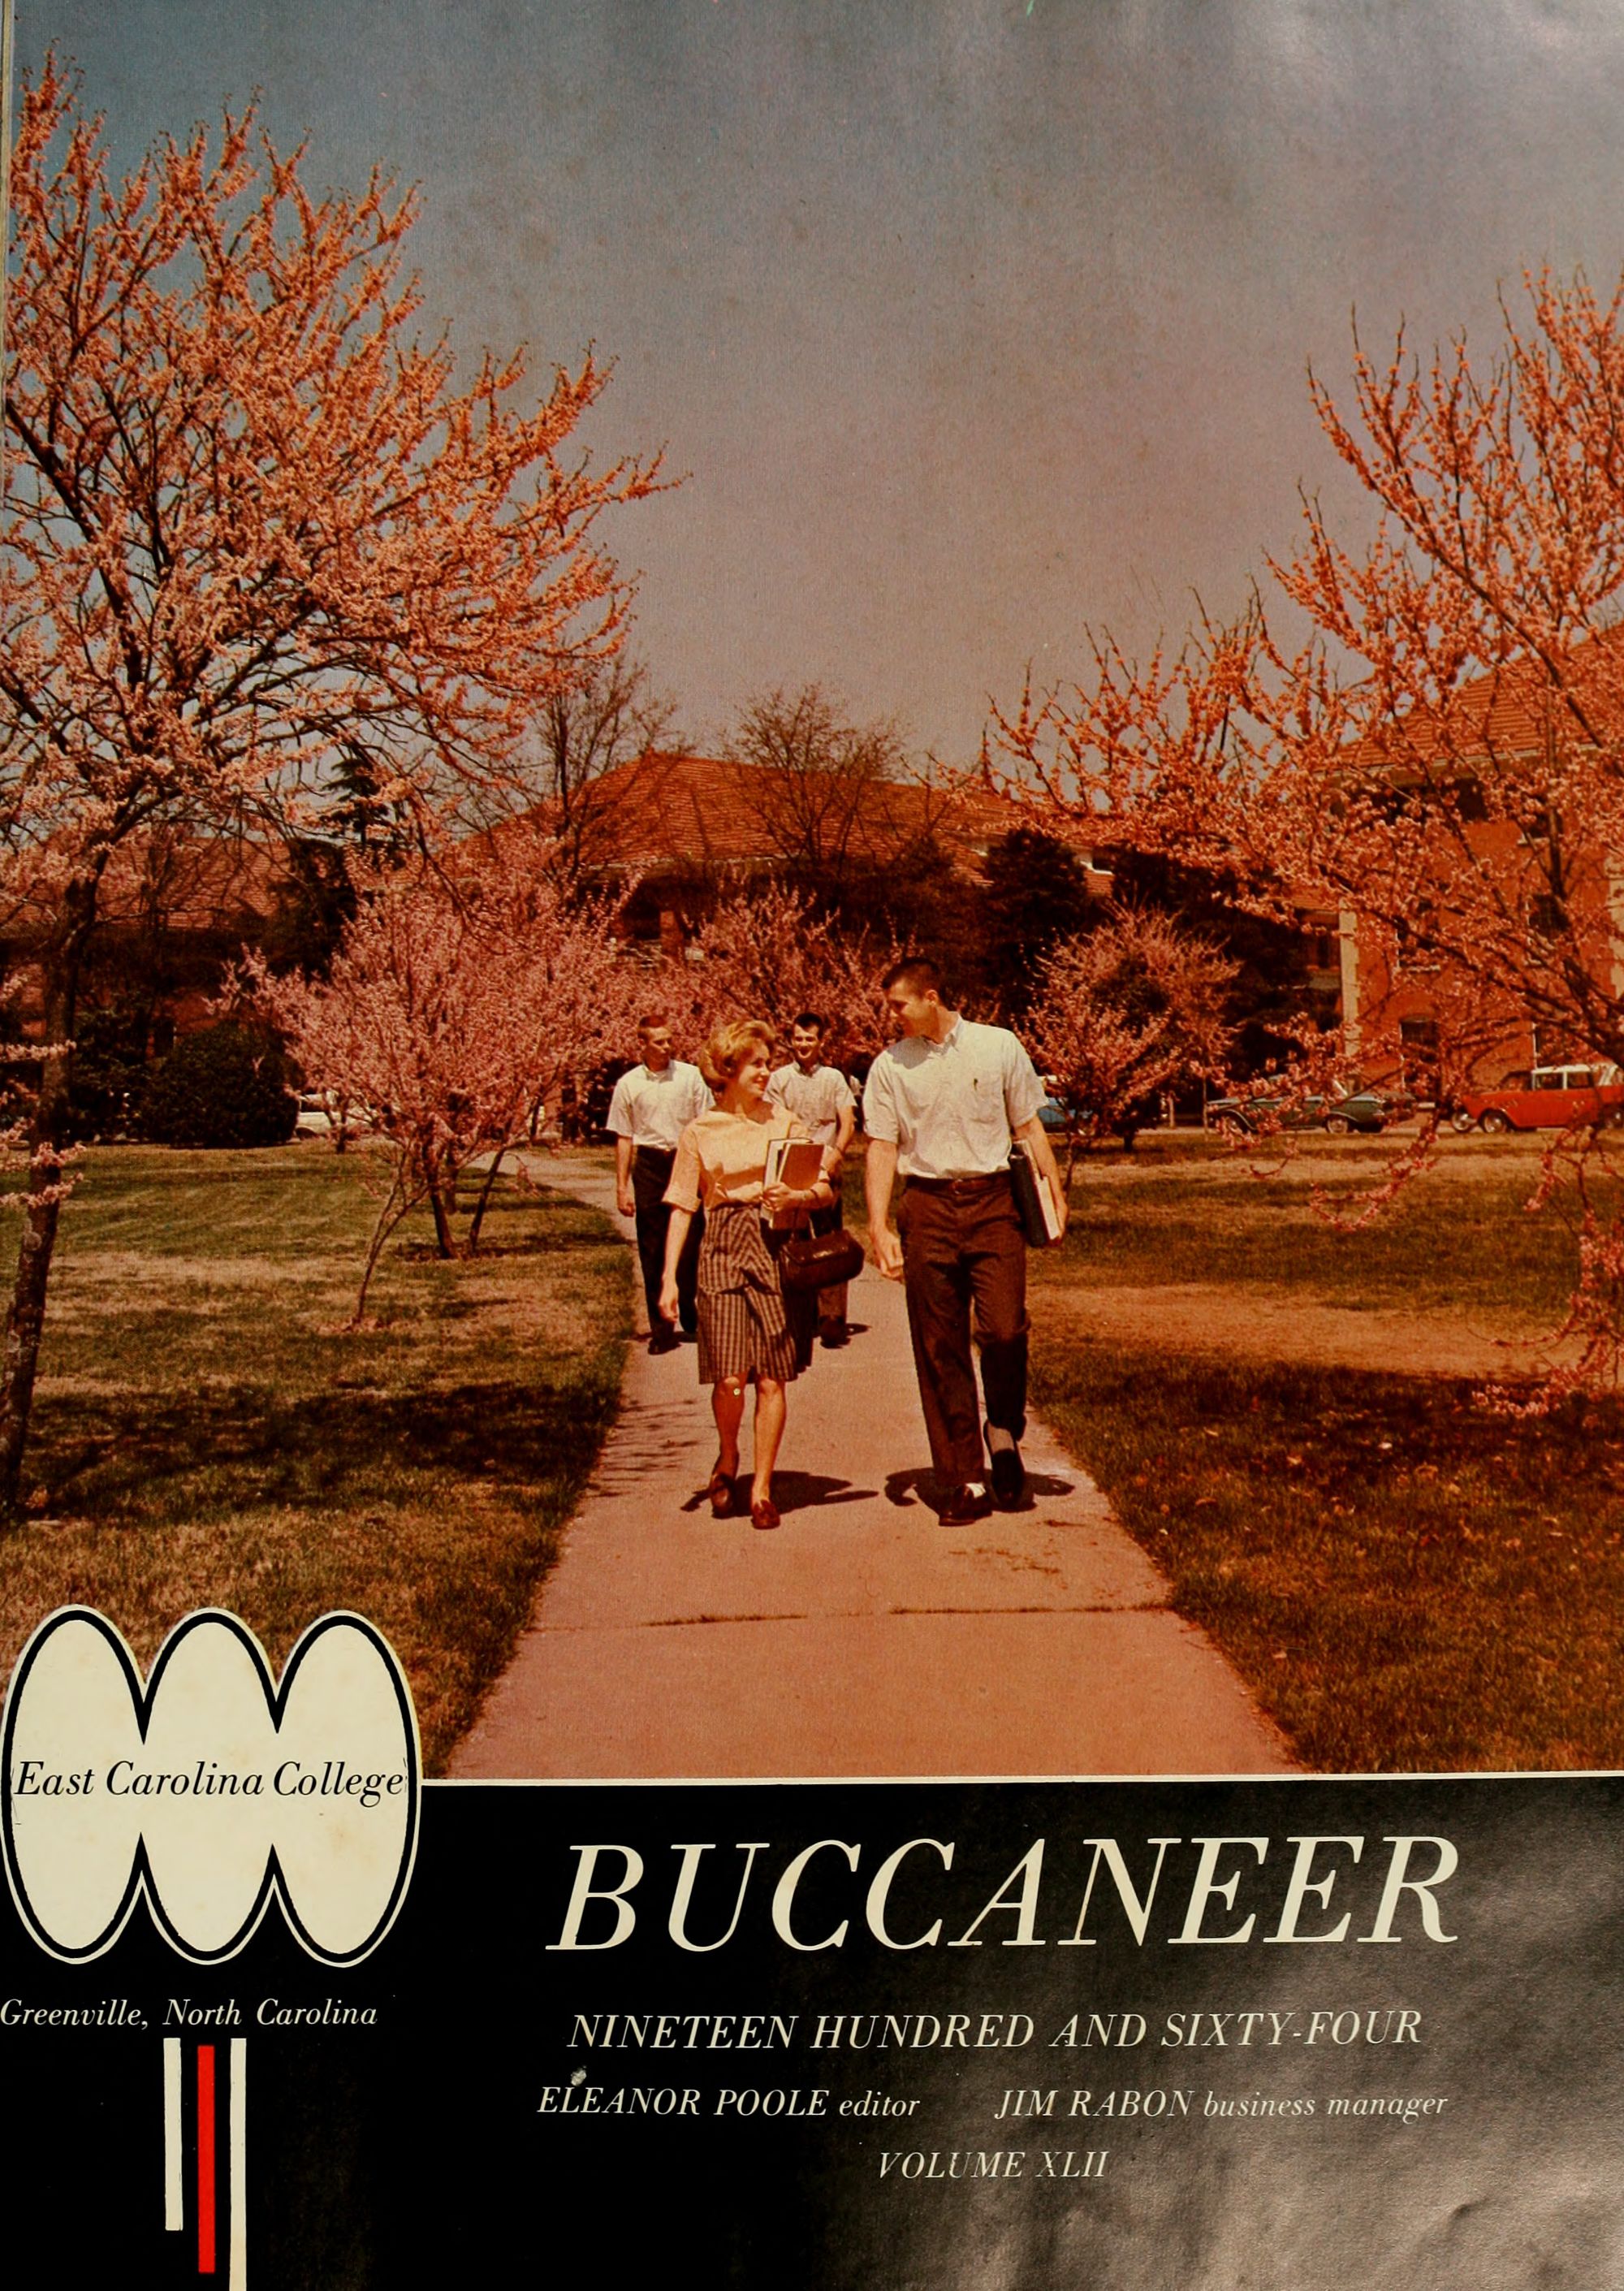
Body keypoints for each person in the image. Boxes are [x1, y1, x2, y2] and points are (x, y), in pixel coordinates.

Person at [862, 956, 1069, 1524]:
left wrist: (1053, 1192)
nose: (893, 1016)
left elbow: (1028, 1126)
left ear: (932, 996)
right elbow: (881, 1146)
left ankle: (1001, 1425)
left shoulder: (998, 1046)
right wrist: (878, 1224)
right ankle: (965, 1478)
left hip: (993, 1202)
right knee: (940, 1346)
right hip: (926, 1205)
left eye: (899, 1005)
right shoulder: (890, 1066)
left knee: (1004, 1328)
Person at [659, 1018, 836, 1531]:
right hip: (720, 1247)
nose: (767, 1071)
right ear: (729, 1069)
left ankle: (761, 1488)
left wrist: (799, 1196)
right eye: (757, 1064)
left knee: (771, 1377)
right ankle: (728, 1455)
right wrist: (669, 1278)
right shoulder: (699, 1131)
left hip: (774, 1245)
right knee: (731, 1379)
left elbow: (824, 1189)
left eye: (767, 1062)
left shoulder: (785, 1123)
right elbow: (681, 1206)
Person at [608, 1015, 713, 1354]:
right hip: (650, 1164)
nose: (667, 1047)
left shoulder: (690, 1076)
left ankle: (691, 1312)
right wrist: (622, 1187)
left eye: (670, 1040)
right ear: (643, 1044)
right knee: (652, 1248)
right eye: (659, 1042)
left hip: (684, 1159)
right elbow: (624, 1138)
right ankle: (662, 1329)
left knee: (691, 1241)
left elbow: (707, 1125)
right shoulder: (628, 1084)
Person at [767, 1011, 857, 1347]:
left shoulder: (834, 1079)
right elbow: (775, 1122)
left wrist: (834, 1157)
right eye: (798, 1039)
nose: (803, 1045)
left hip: (826, 1165)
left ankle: (832, 1315)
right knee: (795, 1240)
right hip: (792, 1166)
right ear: (791, 1041)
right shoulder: (779, 1080)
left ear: (821, 1042)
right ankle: (800, 1314)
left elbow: (847, 1123)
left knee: (830, 1239)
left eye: (810, 1039)